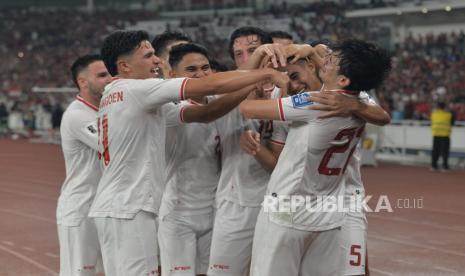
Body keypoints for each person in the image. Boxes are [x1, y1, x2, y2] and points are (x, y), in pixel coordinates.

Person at [88, 30, 288, 276]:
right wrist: (265, 71)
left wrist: (252, 78)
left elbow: (206, 113)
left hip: (119, 206)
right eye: (149, 55)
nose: (157, 61)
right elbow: (211, 84)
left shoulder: (126, 97)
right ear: (125, 66)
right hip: (131, 207)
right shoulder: (137, 90)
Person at [240, 39, 391, 276]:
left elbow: (247, 110)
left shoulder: (313, 102)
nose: (324, 60)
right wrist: (313, 50)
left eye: (331, 60)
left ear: (343, 80)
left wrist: (259, 78)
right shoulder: (360, 100)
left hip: (285, 208)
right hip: (326, 212)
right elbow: (383, 116)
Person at [158, 42, 256, 276]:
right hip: (179, 213)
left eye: (205, 68)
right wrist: (254, 77)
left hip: (215, 210)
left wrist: (248, 131)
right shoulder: (169, 107)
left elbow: (235, 112)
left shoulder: (221, 103)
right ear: (172, 75)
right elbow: (207, 114)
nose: (201, 74)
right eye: (191, 70)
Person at [57, 54, 111, 276]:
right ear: (83, 82)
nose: (109, 79)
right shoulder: (78, 115)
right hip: (81, 208)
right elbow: (113, 146)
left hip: (105, 207)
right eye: (101, 75)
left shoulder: (107, 110)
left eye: (110, 73)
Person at [431, 101, 454, 171]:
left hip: (436, 134)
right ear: (445, 107)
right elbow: (452, 122)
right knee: (445, 151)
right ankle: (445, 166)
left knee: (435, 151)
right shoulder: (448, 115)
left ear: (437, 107)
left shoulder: (434, 114)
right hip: (445, 135)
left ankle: (433, 166)